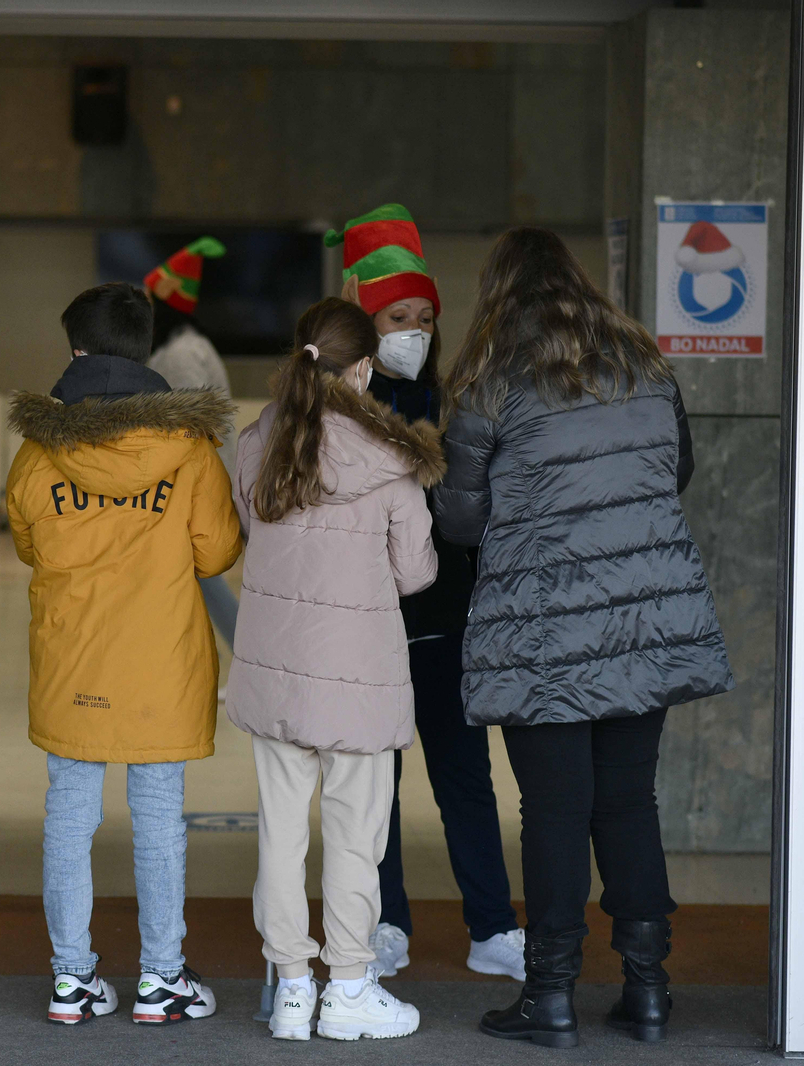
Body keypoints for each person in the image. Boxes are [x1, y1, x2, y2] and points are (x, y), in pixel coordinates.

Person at [432, 227, 734, 1048]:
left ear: (497, 293)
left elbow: (459, 518)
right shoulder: (646, 366)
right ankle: (647, 989)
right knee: (630, 800)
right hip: (645, 618)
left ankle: (551, 997)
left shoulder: (490, 380)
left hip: (544, 628)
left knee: (554, 810)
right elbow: (674, 471)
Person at [6, 281, 242, 1026]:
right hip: (160, 662)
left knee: (69, 816)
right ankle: (162, 979)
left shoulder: (38, 451)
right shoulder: (190, 449)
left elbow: (27, 543)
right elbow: (217, 553)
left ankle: (71, 980)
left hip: (73, 660)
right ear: (146, 351)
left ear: (76, 349)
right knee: (160, 818)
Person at [227, 297, 439, 1042]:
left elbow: (253, 531)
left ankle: (292, 989)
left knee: (280, 836)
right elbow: (416, 574)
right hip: (358, 677)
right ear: (363, 370)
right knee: (355, 839)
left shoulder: (256, 444)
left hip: (275, 671)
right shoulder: (390, 460)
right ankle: (348, 987)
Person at [326, 204, 524, 983]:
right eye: (396, 318)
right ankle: (385, 924)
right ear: (364, 324)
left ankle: (492, 927)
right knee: (375, 787)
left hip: (444, 622)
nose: (413, 331)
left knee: (465, 779)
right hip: (365, 627)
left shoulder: (454, 403)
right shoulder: (335, 409)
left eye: (424, 318)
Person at [143, 236, 239, 650]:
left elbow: (187, 430)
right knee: (195, 578)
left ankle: (245, 651)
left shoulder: (181, 355)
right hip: (198, 484)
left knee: (200, 577)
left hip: (195, 487)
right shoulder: (186, 347)